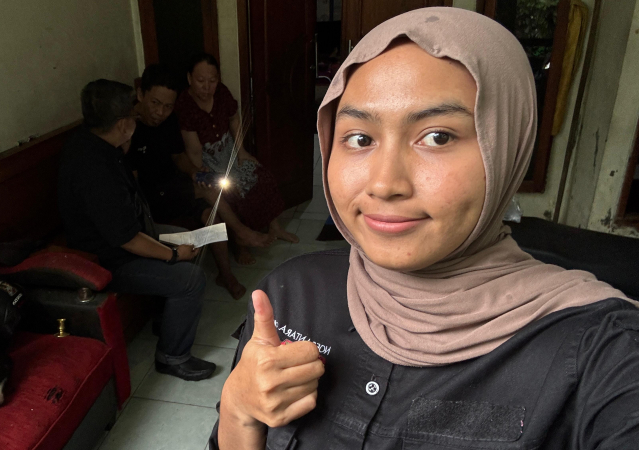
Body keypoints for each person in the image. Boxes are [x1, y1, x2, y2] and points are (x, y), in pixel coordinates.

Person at [210, 8, 639, 449]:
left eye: (438, 137)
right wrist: (239, 409)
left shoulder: (603, 352)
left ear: (507, 145)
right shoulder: (291, 294)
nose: (384, 184)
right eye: (360, 138)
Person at [58, 79, 216, 381]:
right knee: (190, 277)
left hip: (130, 232)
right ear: (121, 124)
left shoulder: (94, 141)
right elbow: (126, 239)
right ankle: (172, 356)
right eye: (134, 116)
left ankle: (168, 319)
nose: (138, 120)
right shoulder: (95, 170)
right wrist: (173, 255)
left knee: (192, 239)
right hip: (108, 260)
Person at [128, 64, 273, 299]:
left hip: (173, 187)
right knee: (207, 191)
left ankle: (225, 275)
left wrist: (194, 172)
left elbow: (178, 156)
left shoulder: (168, 121)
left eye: (167, 106)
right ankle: (241, 232)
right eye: (155, 103)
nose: (160, 112)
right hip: (151, 196)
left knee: (211, 213)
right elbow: (132, 182)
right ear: (140, 94)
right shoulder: (128, 128)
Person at [176, 53, 298, 265]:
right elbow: (193, 151)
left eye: (212, 80)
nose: (207, 87)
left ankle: (275, 227)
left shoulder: (222, 92)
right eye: (201, 80)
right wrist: (202, 173)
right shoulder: (184, 105)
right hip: (207, 160)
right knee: (233, 193)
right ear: (189, 78)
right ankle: (240, 245)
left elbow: (234, 118)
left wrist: (241, 151)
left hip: (229, 151)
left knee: (261, 176)